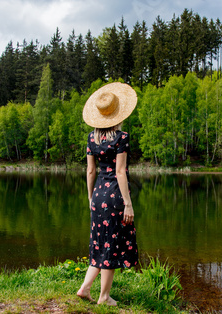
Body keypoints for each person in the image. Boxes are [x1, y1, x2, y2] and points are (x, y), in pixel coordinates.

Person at [76, 82, 139, 306]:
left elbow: (90, 170)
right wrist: (128, 204)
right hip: (114, 196)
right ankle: (103, 297)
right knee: (111, 245)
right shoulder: (121, 138)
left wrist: (90, 196)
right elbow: (120, 172)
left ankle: (85, 288)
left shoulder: (91, 139)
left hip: (98, 194)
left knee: (100, 242)